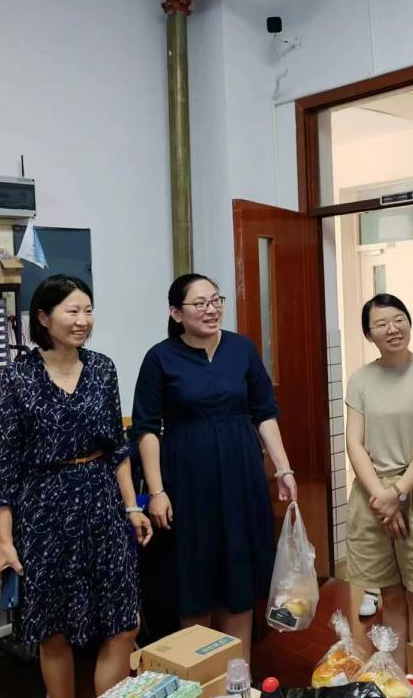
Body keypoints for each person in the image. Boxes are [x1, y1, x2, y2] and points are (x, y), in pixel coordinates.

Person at [0, 275, 151, 698]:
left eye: (88, 311)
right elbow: (3, 469)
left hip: (101, 503)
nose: (83, 320)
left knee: (124, 622)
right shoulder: (15, 379)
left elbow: (116, 447)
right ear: (44, 317)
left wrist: (132, 507)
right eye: (72, 311)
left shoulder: (102, 369)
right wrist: (4, 542)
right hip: (43, 510)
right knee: (53, 630)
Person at [132, 273, 297, 661]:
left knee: (239, 580)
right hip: (187, 482)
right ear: (176, 313)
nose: (212, 309)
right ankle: (201, 676)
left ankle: (237, 678)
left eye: (216, 300)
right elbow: (146, 429)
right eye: (200, 303)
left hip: (241, 475)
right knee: (195, 579)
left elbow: (264, 413)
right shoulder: (160, 358)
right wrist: (156, 492)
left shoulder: (241, 349)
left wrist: (283, 469)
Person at [345, 293, 413, 669]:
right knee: (389, 594)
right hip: (372, 496)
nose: (392, 329)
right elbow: (354, 443)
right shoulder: (360, 380)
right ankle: (397, 678)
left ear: (408, 322)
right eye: (381, 324)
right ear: (368, 334)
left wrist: (398, 493)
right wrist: (382, 496)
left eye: (399, 319)